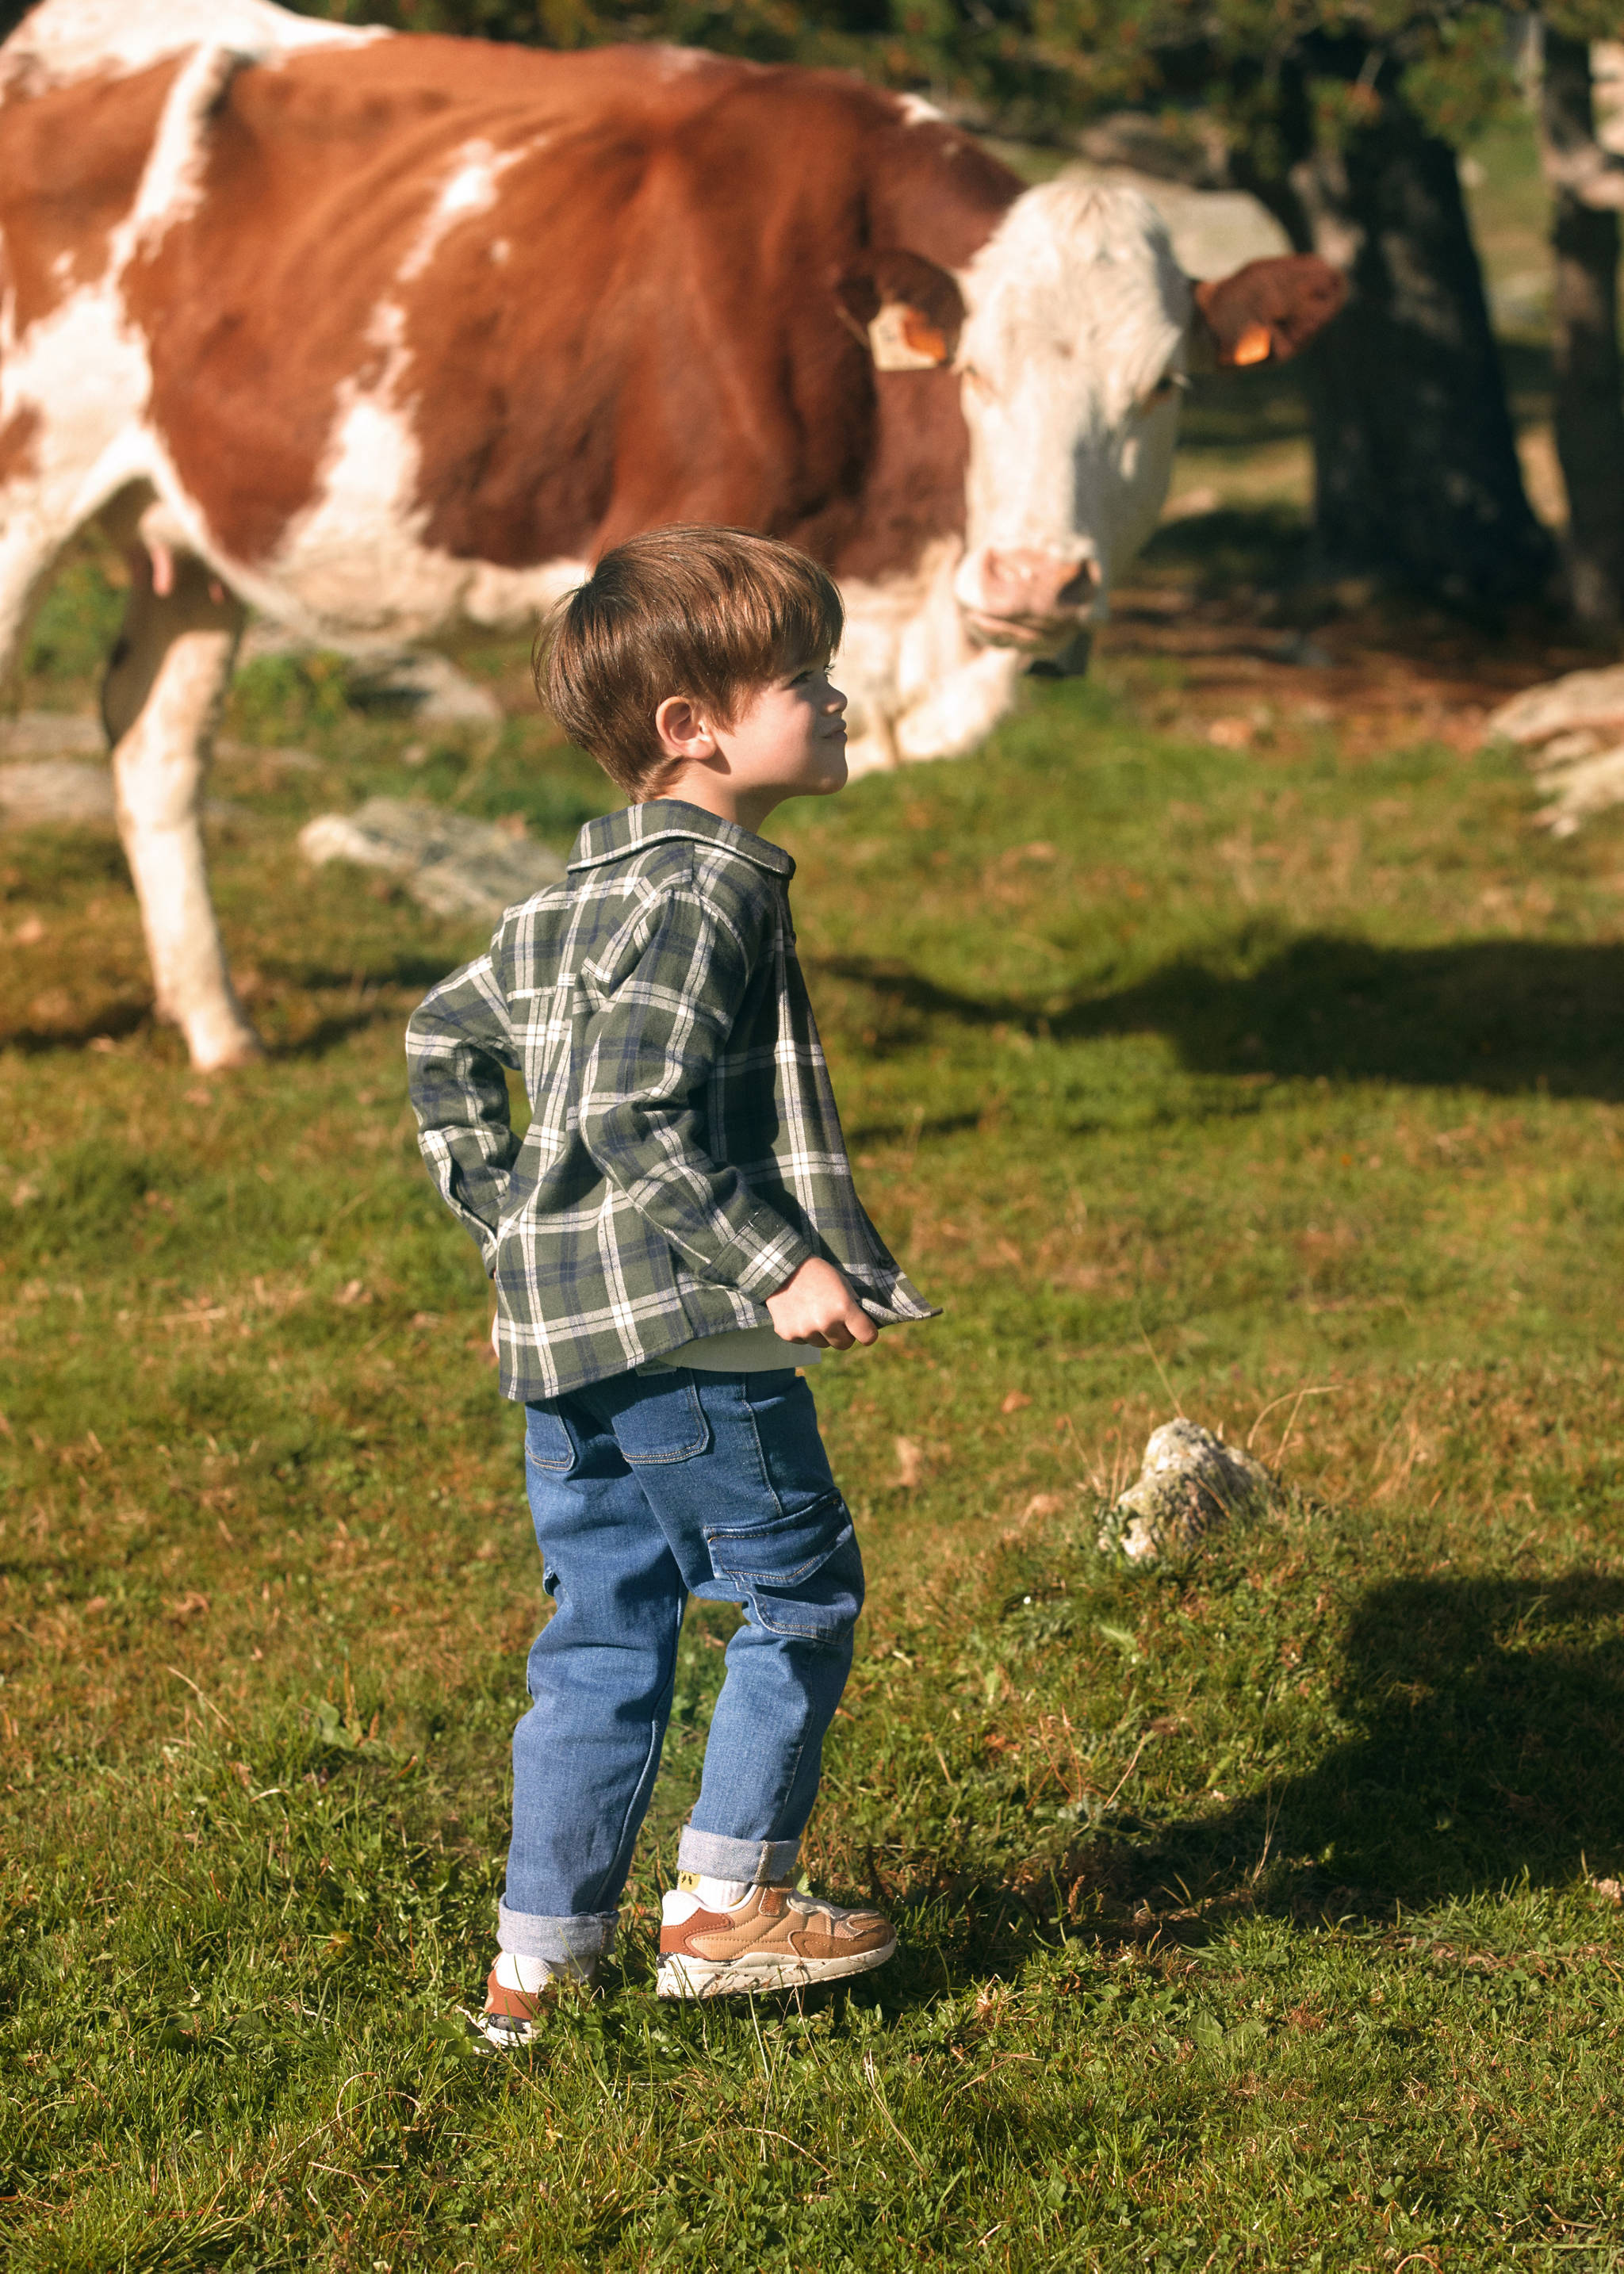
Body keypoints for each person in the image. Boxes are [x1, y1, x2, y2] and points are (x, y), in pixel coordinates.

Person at [405, 526, 936, 2040]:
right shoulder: (711, 894)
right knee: (798, 1595)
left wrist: (511, 1220)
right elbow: (637, 1113)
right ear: (693, 727)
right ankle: (722, 1907)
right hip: (694, 1339)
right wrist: (784, 1265)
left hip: (564, 1348)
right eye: (804, 677)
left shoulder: (560, 901)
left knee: (600, 1636)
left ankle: (535, 1970)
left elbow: (443, 1040)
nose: (835, 698)